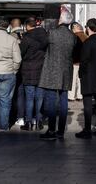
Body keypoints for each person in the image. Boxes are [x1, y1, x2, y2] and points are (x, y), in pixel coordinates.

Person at [38, 9, 76, 140]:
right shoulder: (72, 36)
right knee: (63, 101)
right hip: (66, 71)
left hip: (52, 70)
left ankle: (52, 130)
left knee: (50, 102)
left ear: (61, 20)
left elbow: (42, 46)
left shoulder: (52, 33)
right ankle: (60, 131)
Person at [75, 18, 96, 139]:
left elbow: (83, 60)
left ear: (87, 28)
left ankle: (87, 128)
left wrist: (80, 73)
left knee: (87, 103)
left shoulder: (88, 43)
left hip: (88, 77)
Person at [19, 17, 48, 131]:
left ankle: (28, 122)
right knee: (39, 97)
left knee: (29, 98)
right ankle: (39, 121)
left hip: (28, 70)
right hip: (41, 70)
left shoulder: (27, 38)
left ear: (27, 26)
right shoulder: (45, 37)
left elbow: (21, 53)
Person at [9, 18, 25, 127]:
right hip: (25, 69)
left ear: (11, 25)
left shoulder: (9, 37)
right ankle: (21, 117)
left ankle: (11, 116)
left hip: (12, 69)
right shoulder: (26, 35)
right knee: (21, 94)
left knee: (10, 94)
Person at [69, 22, 88, 101]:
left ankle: (71, 96)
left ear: (74, 29)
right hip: (83, 62)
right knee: (80, 80)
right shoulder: (86, 37)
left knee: (72, 80)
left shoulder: (73, 37)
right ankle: (80, 95)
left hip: (74, 61)